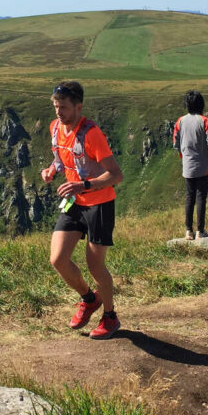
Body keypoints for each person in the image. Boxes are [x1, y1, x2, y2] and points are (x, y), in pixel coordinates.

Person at [41, 80, 124, 340]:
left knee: (95, 265)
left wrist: (83, 185)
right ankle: (89, 299)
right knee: (58, 259)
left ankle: (110, 317)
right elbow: (60, 157)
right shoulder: (55, 128)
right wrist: (52, 171)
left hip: (99, 204)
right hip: (75, 202)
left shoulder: (92, 133)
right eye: (56, 106)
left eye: (64, 107)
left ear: (79, 106)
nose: (58, 112)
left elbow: (116, 175)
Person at [172, 90, 208, 239]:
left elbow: (176, 144)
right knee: (201, 198)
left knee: (189, 197)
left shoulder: (180, 121)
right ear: (201, 104)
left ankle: (188, 230)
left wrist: (184, 156)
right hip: (203, 165)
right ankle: (200, 230)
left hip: (187, 164)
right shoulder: (205, 121)